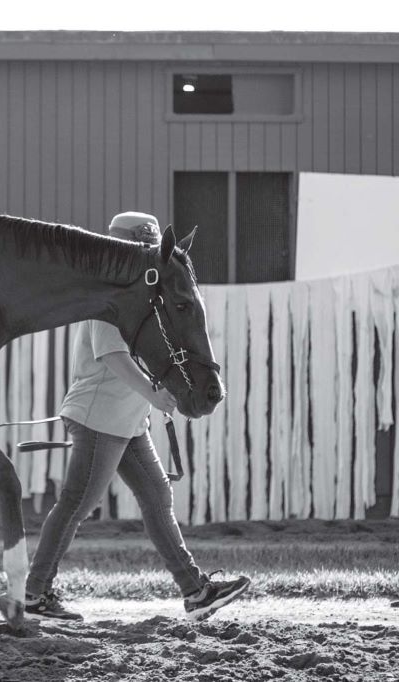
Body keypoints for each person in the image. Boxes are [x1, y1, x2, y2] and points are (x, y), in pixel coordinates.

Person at [23, 211, 250, 622]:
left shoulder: (136, 296)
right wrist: (156, 396)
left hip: (125, 419)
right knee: (78, 503)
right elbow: (111, 356)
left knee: (157, 497)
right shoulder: (108, 296)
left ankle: (196, 592)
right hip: (100, 415)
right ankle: (35, 594)